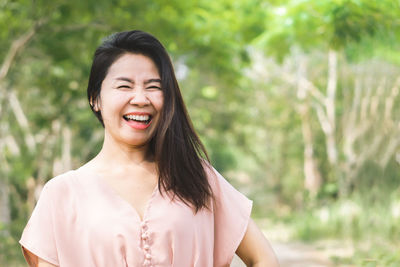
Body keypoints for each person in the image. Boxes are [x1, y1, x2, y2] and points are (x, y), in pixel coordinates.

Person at [19, 30, 279, 267]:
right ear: (95, 99)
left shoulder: (196, 175)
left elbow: (263, 258)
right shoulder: (62, 194)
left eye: (154, 87)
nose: (141, 99)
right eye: (124, 86)